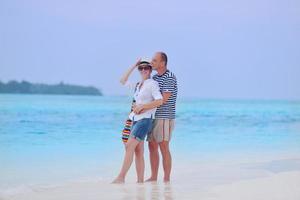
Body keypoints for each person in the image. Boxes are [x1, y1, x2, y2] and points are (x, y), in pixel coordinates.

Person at [112, 59, 163, 184]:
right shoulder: (138, 85)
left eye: (146, 68)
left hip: (145, 120)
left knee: (129, 146)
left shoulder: (152, 84)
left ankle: (121, 177)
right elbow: (122, 80)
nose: (144, 70)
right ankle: (140, 182)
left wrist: (142, 107)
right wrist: (134, 65)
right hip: (135, 119)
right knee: (138, 151)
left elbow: (160, 101)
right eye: (141, 68)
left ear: (150, 69)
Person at [146, 52, 178, 183]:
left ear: (162, 63)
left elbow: (163, 99)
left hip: (165, 116)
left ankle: (166, 179)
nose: (151, 62)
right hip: (153, 116)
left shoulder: (169, 77)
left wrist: (144, 106)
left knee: (164, 147)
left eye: (154, 60)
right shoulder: (154, 78)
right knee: (152, 146)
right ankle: (154, 177)